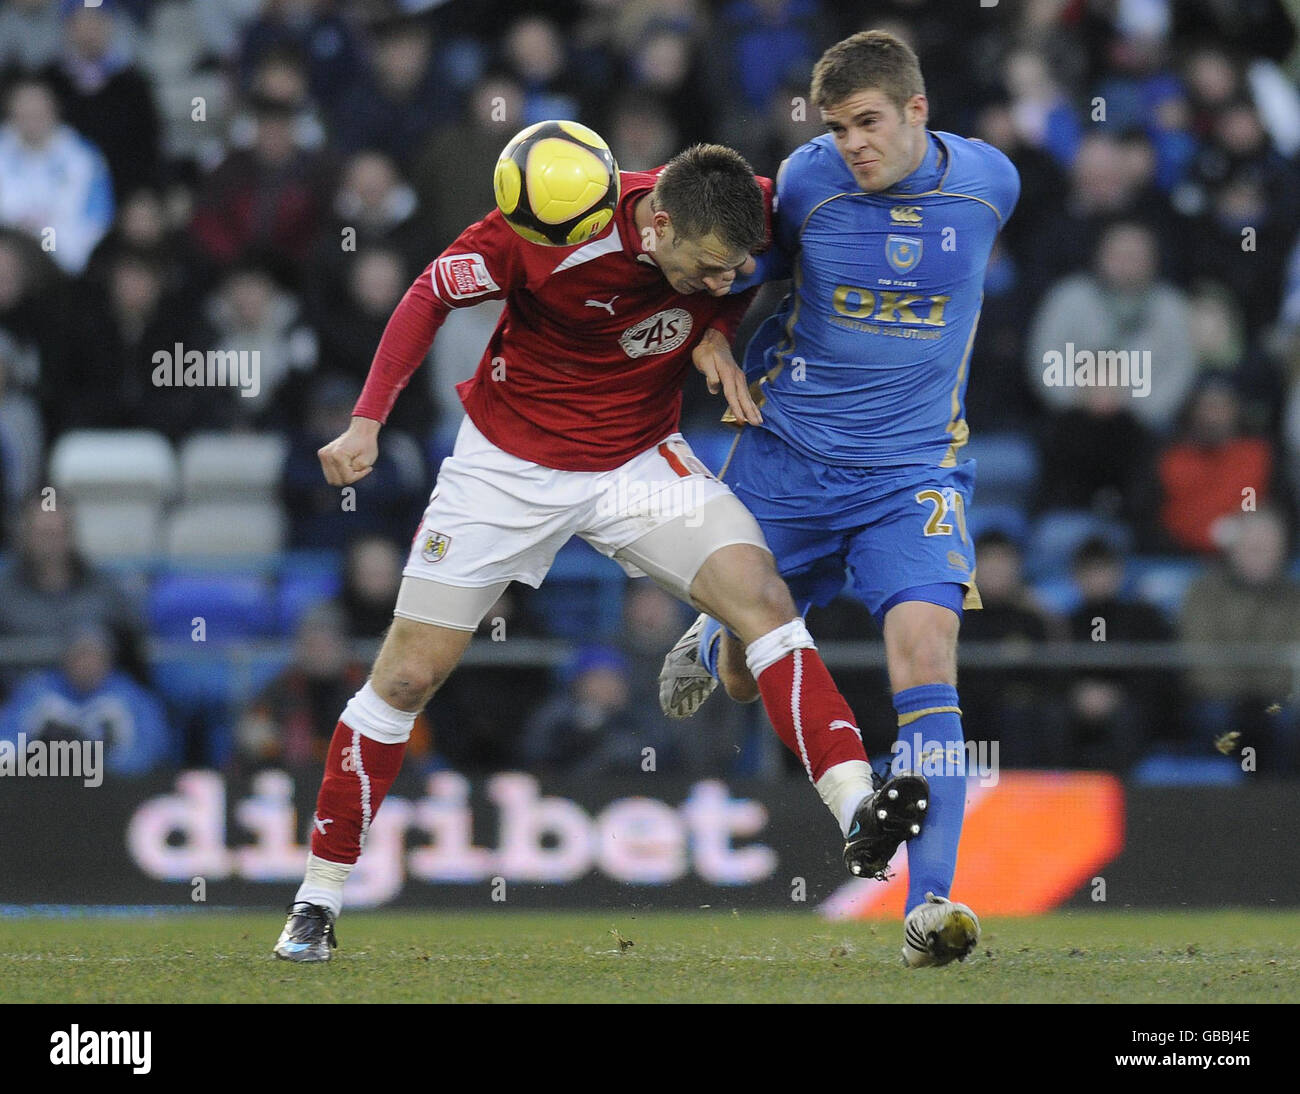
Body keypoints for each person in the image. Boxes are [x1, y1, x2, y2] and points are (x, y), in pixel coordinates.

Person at [273, 141, 928, 962]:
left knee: (762, 596)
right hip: (506, 466)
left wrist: (716, 331)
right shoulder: (542, 229)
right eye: (709, 269)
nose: (725, 281)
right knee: (405, 676)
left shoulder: (743, 212)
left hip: (634, 459)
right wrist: (368, 419)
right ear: (656, 226)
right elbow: (424, 296)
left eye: (737, 269)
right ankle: (318, 898)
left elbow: (752, 274)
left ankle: (859, 809)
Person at [658, 31, 1020, 967]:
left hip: (912, 476)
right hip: (787, 464)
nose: (853, 143)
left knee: (926, 657)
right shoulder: (806, 185)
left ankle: (930, 905)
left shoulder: (990, 185)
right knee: (744, 676)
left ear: (916, 111)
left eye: (869, 123)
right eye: (837, 126)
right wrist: (709, 341)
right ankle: (714, 638)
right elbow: (723, 269)